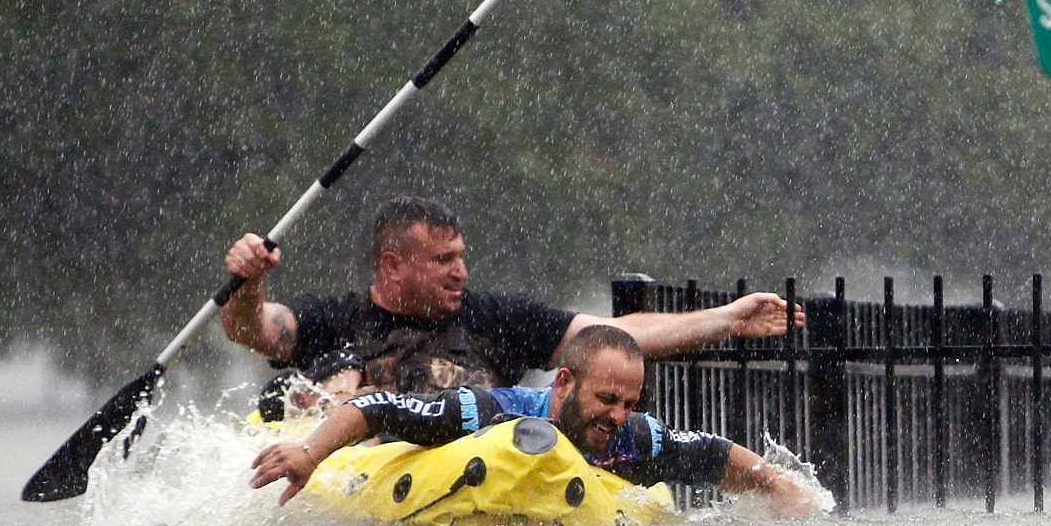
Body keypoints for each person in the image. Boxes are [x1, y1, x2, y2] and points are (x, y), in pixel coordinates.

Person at [222, 196, 802, 397]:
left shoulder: (498, 318)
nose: (461, 273)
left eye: (462, 257)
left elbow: (614, 337)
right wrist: (249, 281)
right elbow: (255, 330)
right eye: (443, 260)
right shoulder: (337, 318)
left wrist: (726, 318)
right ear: (392, 266)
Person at [250, 324, 821, 517]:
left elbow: (713, 452)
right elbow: (379, 408)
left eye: (629, 402)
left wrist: (780, 485)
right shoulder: (488, 409)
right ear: (564, 383)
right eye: (606, 399)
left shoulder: (630, 434)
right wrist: (309, 453)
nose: (616, 415)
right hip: (392, 462)